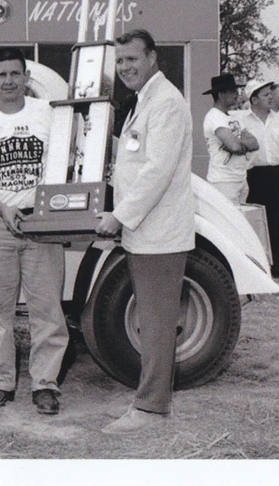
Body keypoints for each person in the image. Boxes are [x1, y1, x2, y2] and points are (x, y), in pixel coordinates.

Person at [95, 29, 195, 433]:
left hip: (159, 233)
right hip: (146, 233)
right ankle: (150, 402)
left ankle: (151, 409)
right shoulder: (144, 101)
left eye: (132, 59)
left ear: (153, 57)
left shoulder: (167, 103)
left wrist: (118, 216)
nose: (125, 68)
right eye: (120, 62)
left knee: (155, 322)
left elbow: (157, 171)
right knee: (152, 320)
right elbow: (136, 160)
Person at [0, 48, 68, 416]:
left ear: (25, 78)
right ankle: (1, 381)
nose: (8, 81)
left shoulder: (48, 115)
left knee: (47, 308)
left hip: (41, 223)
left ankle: (45, 384)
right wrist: (2, 208)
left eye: (15, 74)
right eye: (1, 74)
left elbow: (70, 160)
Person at [236, 80, 279, 277]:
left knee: (278, 219)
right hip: (253, 175)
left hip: (277, 174)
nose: (270, 97)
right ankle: (258, 263)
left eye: (271, 93)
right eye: (265, 94)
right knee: (255, 220)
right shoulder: (242, 121)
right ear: (253, 99)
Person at [202, 74, 259, 205]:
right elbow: (234, 147)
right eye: (232, 91)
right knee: (227, 221)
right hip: (224, 181)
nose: (237, 94)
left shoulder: (234, 117)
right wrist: (240, 143)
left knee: (241, 218)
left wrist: (239, 142)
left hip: (240, 178)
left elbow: (255, 143)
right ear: (221, 94)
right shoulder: (214, 117)